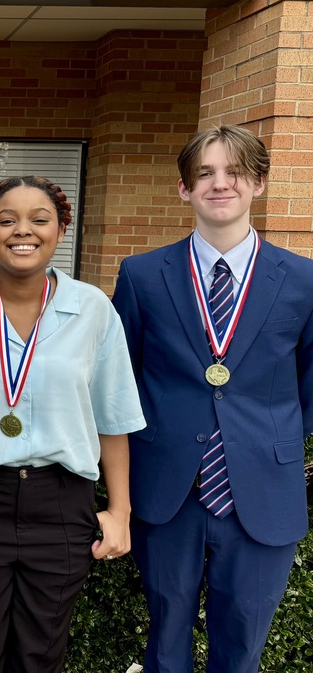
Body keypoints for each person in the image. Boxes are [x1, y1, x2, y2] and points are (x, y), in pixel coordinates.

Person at [0, 175, 145, 673]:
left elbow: (112, 419)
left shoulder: (93, 310)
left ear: (61, 229)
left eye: (40, 219)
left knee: (40, 655)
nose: (23, 231)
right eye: (6, 220)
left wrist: (120, 511)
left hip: (61, 503)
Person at [112, 125, 313, 673]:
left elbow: (308, 381)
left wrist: (271, 438)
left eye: (234, 172)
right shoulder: (142, 274)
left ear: (260, 184)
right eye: (204, 173)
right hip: (168, 488)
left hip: (261, 487)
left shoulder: (302, 279)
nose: (219, 184)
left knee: (243, 644)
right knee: (165, 637)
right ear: (184, 189)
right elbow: (121, 381)